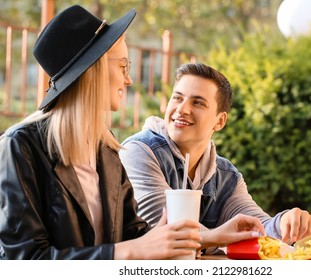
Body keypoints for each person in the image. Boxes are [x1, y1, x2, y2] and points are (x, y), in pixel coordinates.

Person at [0, 5, 265, 260]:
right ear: (95, 70)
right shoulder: (21, 147)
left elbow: (134, 237)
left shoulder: (107, 153)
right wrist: (129, 252)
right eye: (123, 66)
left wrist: (191, 239)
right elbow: (24, 259)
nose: (129, 79)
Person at [119, 63, 311, 254]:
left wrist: (285, 222)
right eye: (177, 98)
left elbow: (256, 228)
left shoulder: (226, 176)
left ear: (220, 121)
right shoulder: (139, 151)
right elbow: (163, 225)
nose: (182, 109)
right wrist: (219, 238)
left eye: (197, 102)